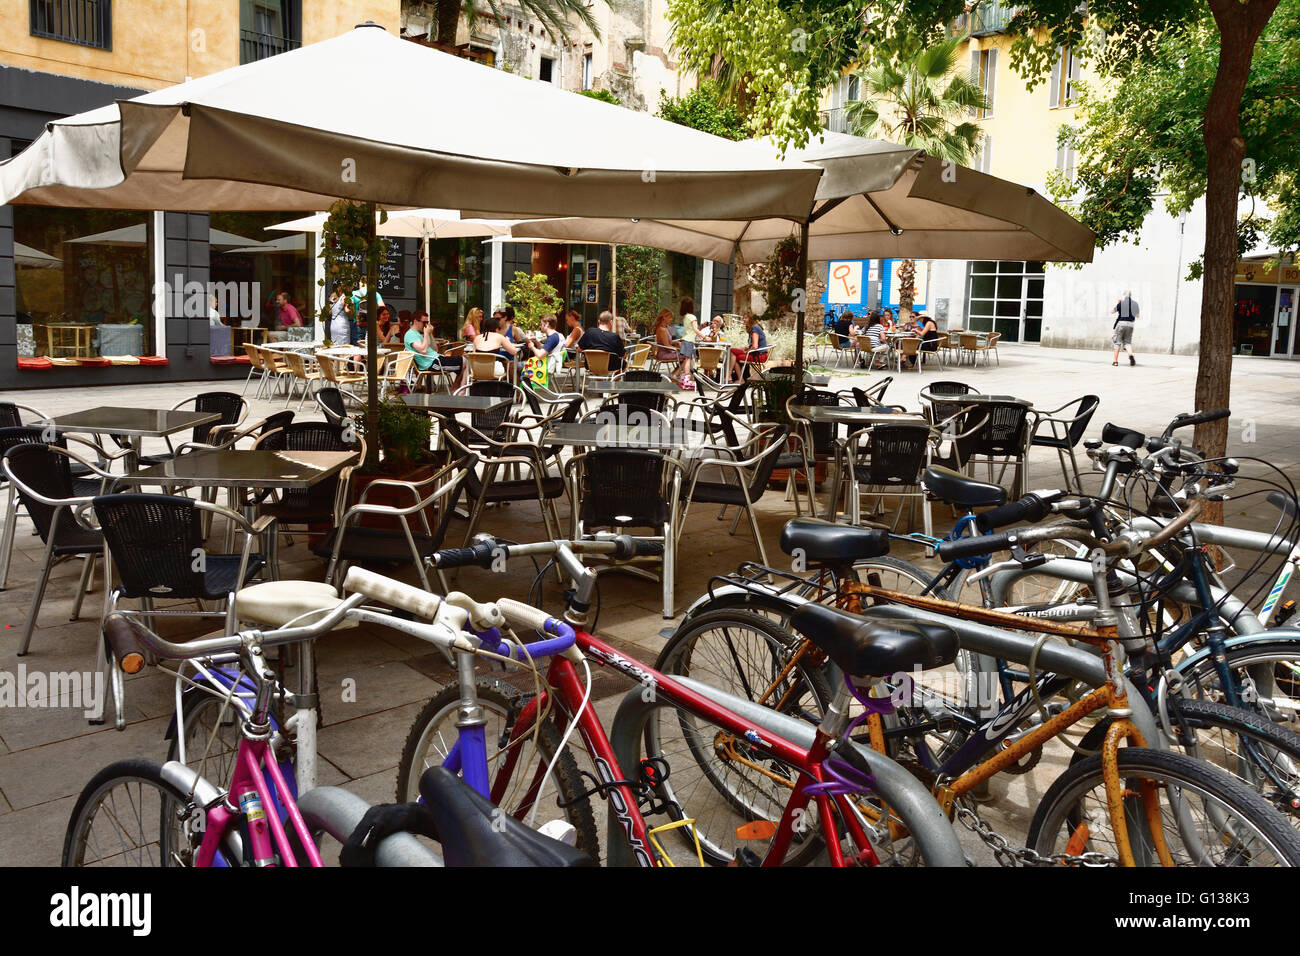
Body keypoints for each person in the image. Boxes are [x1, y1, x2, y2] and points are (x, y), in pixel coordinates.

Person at [472, 314, 519, 378]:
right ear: (496, 328)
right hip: (494, 370)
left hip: (476, 370)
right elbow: (514, 352)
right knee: (507, 365)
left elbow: (473, 354)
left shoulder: (477, 338)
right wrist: (507, 341)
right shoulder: (499, 337)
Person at [655, 307, 692, 386]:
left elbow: (669, 342)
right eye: (670, 317)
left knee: (686, 355)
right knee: (688, 356)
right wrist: (679, 349)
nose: (671, 319)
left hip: (666, 351)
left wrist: (677, 342)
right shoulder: (662, 329)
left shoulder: (665, 328)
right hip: (664, 353)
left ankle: (674, 374)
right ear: (664, 317)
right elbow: (666, 346)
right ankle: (674, 375)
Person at [730, 314, 768, 382]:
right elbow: (754, 346)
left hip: (759, 356)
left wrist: (746, 351)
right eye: (743, 318)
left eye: (746, 318)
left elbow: (755, 346)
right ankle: (737, 378)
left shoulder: (755, 328)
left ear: (751, 319)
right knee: (733, 351)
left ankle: (733, 377)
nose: (744, 320)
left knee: (733, 352)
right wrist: (747, 349)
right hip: (757, 354)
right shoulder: (754, 328)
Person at [1112, 291, 1139, 366]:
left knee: (1117, 342)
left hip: (1121, 323)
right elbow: (1137, 315)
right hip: (1130, 324)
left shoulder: (1122, 303)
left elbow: (1112, 311)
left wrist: (1118, 304)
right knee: (1127, 342)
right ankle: (1131, 355)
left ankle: (1115, 362)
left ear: (1124, 296)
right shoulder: (1135, 303)